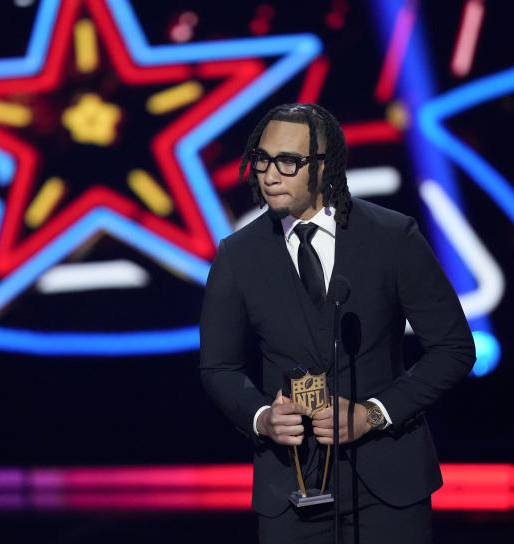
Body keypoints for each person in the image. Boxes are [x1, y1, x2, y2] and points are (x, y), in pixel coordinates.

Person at [199, 103, 476, 543]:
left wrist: (374, 414)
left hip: (389, 486)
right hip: (289, 486)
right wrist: (261, 418)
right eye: (262, 159)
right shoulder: (237, 256)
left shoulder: (392, 237)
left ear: (325, 167)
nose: (269, 175)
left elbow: (454, 349)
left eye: (288, 162)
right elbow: (219, 367)